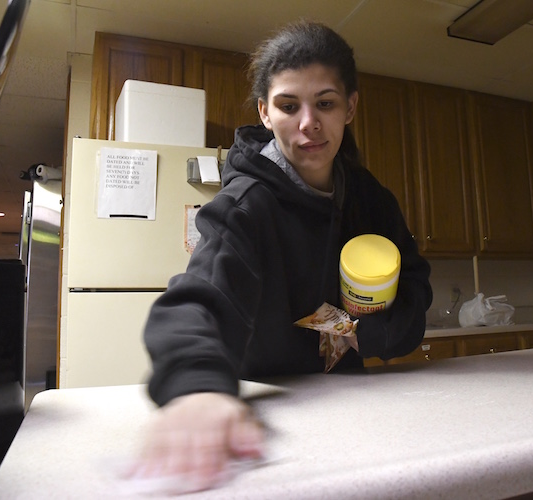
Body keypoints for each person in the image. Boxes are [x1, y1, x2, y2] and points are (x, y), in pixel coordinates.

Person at [136, 20, 432, 492]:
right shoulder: (244, 206)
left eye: (326, 103)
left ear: (350, 108)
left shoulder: (372, 201)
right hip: (269, 425)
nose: (308, 122)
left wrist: (366, 334)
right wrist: (196, 386)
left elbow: (415, 289)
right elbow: (197, 301)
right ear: (265, 112)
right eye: (289, 106)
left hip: (361, 414)